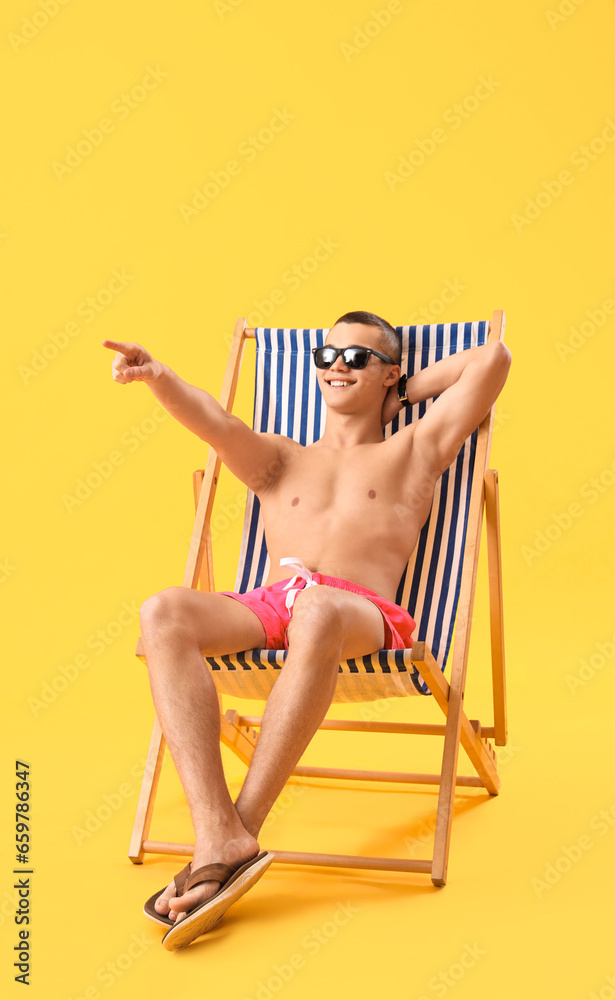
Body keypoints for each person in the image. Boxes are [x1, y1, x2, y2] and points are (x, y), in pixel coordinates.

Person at [102, 310, 511, 949]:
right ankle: (219, 831)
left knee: (316, 606)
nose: (337, 364)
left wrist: (405, 393)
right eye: (327, 355)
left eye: (358, 357)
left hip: (357, 613)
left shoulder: (414, 449)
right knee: (163, 611)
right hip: (270, 604)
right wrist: (160, 378)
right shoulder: (279, 459)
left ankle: (241, 828)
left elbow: (492, 361)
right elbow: (216, 422)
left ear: (390, 375)